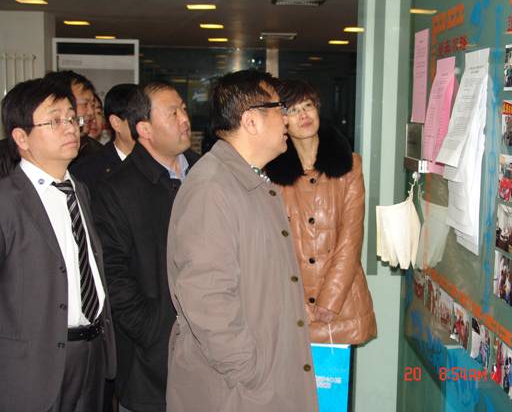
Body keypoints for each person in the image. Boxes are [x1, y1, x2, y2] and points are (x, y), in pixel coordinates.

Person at [166, 70, 319, 412]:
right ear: (251, 121)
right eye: (280, 109)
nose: (287, 118)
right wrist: (249, 369)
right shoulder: (213, 187)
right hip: (236, 390)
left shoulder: (250, 180)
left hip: (260, 381)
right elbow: (206, 296)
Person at [0, 77, 115, 412]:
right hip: (32, 365)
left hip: (92, 352)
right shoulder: (7, 201)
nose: (70, 128)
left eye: (71, 118)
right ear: (21, 137)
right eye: (54, 121)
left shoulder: (79, 190)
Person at [93, 81, 199, 412]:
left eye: (184, 109)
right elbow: (112, 273)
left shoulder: (205, 174)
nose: (185, 119)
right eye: (173, 113)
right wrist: (153, 330)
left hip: (210, 353)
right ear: (144, 129)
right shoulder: (116, 188)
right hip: (150, 365)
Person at [265, 79, 377, 345]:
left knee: (333, 373)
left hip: (342, 304)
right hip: (290, 304)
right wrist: (296, 299)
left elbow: (351, 238)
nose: (303, 114)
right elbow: (270, 246)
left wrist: (329, 300)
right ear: (282, 120)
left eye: (308, 106)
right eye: (293, 110)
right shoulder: (270, 173)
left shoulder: (350, 165)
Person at [71, 84, 140, 194]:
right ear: (116, 123)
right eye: (140, 118)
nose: (147, 125)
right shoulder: (88, 171)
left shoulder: (158, 162)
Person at [44, 70, 103, 164]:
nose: (91, 112)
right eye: (84, 104)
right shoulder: (40, 150)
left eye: (92, 105)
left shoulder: (99, 153)